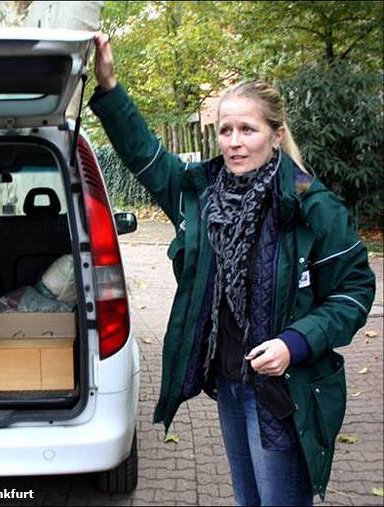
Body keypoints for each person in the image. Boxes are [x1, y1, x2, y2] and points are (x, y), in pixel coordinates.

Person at [89, 33, 376, 506]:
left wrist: (294, 342)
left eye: (248, 130)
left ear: (276, 135)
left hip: (284, 391)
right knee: (247, 499)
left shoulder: (311, 205)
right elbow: (145, 156)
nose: (235, 142)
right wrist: (110, 85)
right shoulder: (201, 194)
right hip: (229, 381)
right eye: (226, 130)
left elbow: (353, 293)